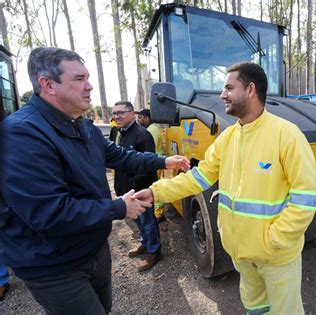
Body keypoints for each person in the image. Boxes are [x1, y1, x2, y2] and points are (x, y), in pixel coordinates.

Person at [0, 47, 190, 314]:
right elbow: (49, 212)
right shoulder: (23, 134)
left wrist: (162, 161)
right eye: (79, 79)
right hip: (55, 265)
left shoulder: (83, 125)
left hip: (93, 250)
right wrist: (119, 207)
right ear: (47, 84)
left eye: (88, 77)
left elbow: (121, 156)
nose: (89, 86)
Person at [134, 62, 316, 314]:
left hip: (275, 255)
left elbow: (307, 196)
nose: (222, 94)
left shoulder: (287, 134)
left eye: (229, 87)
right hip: (241, 253)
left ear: (251, 89)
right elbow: (197, 179)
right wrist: (157, 192)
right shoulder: (228, 138)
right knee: (254, 307)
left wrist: (275, 239)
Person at [113, 102, 162, 272]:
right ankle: (145, 243)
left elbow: (149, 164)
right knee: (137, 220)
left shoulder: (143, 135)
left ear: (132, 113)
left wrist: (134, 186)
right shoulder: (121, 134)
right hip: (128, 189)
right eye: (114, 113)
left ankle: (154, 251)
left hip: (140, 189)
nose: (117, 116)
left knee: (147, 220)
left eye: (121, 112)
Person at [136, 108, 166, 221]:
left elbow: (147, 147)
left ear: (147, 118)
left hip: (154, 164)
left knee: (155, 189)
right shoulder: (150, 128)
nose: (138, 120)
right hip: (154, 162)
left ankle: (159, 214)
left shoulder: (151, 130)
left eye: (140, 117)